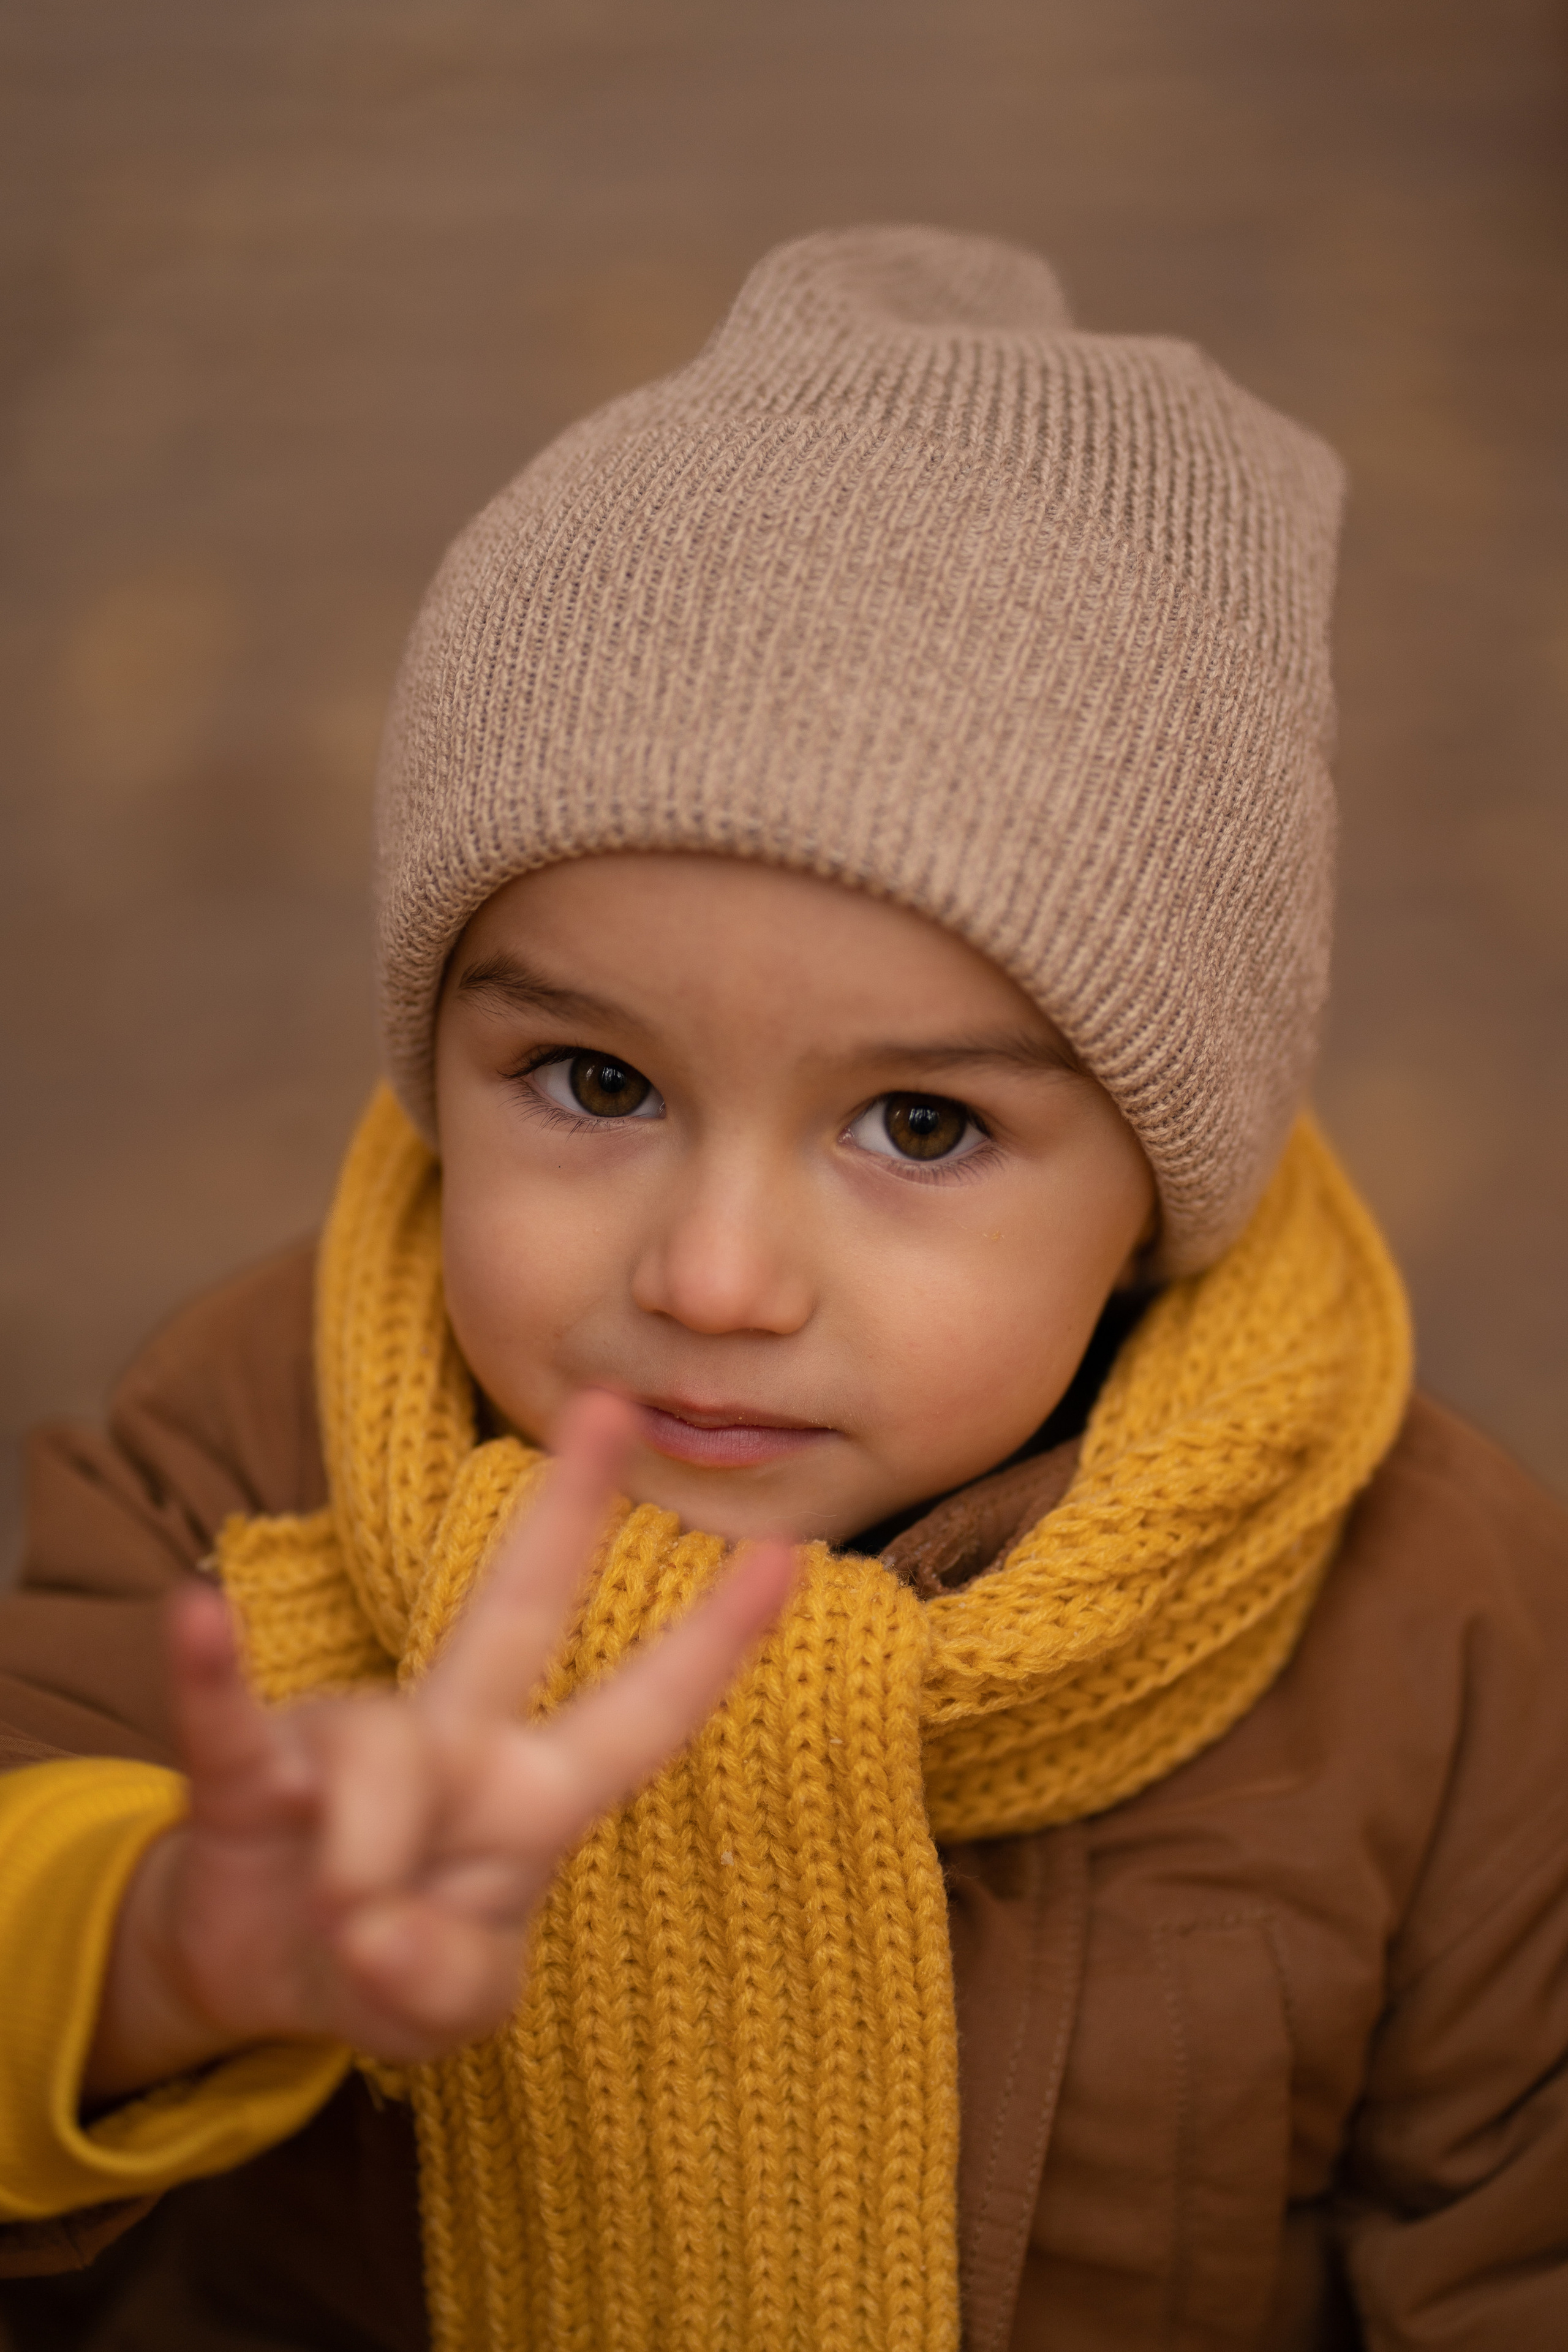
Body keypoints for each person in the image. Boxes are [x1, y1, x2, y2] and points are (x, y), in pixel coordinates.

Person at [1, 226, 1565, 2352]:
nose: (717, 1279)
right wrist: (165, 1948)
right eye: (594, 1080)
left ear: (1157, 1183)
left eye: (918, 1128)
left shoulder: (1433, 1617)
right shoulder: (244, 1446)